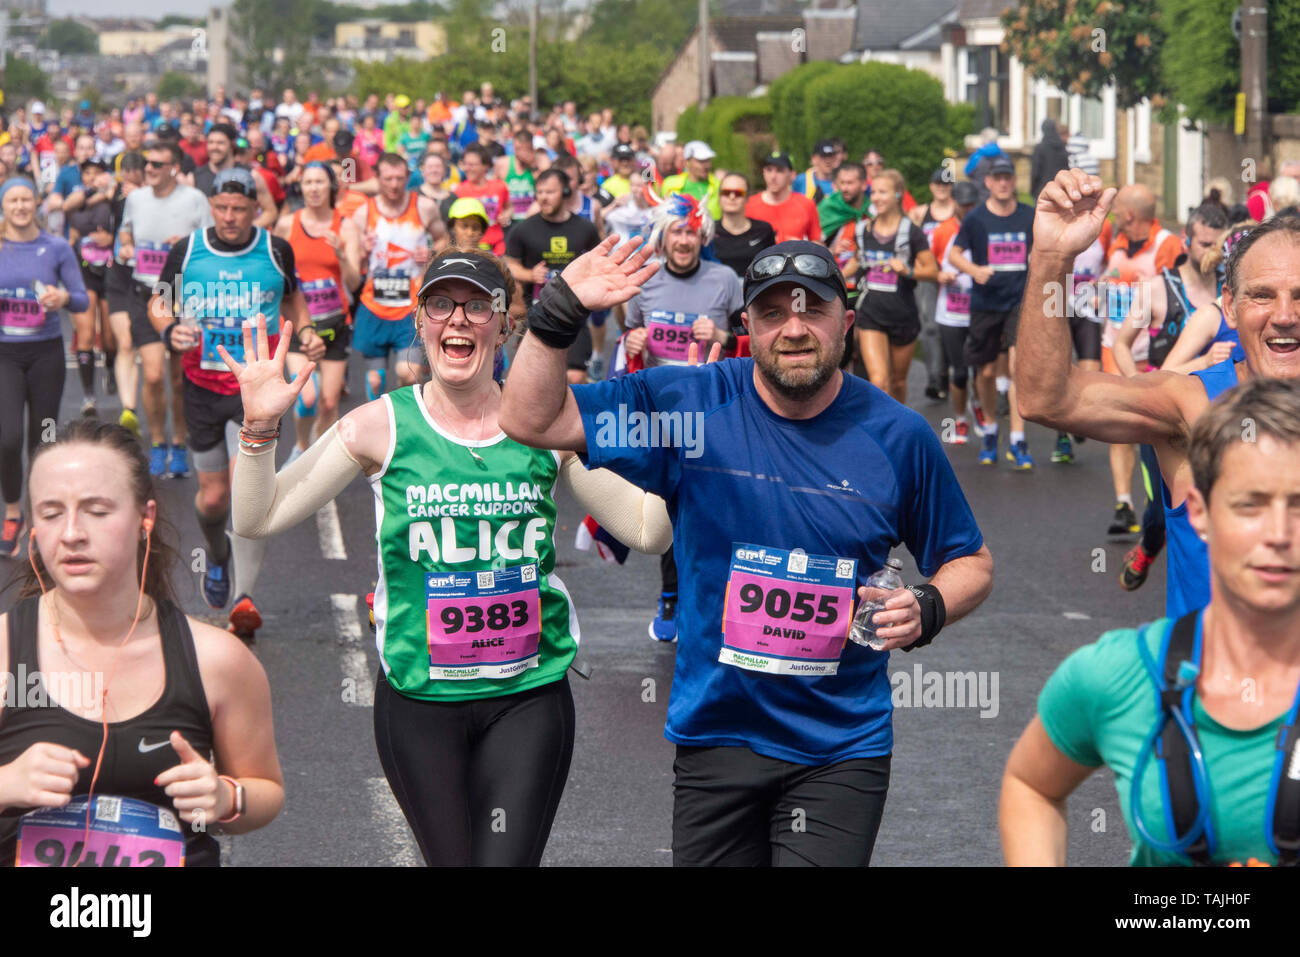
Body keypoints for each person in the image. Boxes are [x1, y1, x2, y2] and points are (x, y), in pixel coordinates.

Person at [500, 235, 993, 867]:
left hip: (840, 747)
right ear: (746, 326)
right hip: (716, 738)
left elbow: (972, 563)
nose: (793, 329)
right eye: (772, 313)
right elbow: (529, 419)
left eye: (812, 309)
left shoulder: (899, 437)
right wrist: (558, 309)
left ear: (846, 320)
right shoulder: (687, 408)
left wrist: (929, 605)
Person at [225, 250, 671, 865]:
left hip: (528, 695)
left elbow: (647, 529)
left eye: (476, 305)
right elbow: (256, 518)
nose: (456, 320)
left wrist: (685, 455)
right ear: (420, 322)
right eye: (440, 304)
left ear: (504, 324)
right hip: (419, 700)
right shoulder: (377, 427)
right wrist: (257, 430)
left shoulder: (545, 424)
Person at [1001, 378, 1300, 866]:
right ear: (1200, 513)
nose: (1279, 534)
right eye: (1250, 504)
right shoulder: (1118, 673)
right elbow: (1030, 785)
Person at [1017, 168, 1300, 621]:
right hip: (1209, 683)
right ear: (1228, 305)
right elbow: (1045, 398)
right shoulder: (1192, 403)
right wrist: (1051, 258)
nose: (1285, 316)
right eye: (1262, 296)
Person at [0, 419, 285, 866]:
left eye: (97, 510)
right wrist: (5, 784)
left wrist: (226, 797)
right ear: (34, 530)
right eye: (52, 513)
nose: (72, 532)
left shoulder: (218, 659)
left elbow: (265, 791)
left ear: (144, 518)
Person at [148, 166, 318, 642]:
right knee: (215, 498)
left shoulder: (273, 249)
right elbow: (160, 302)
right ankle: (217, 557)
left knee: (249, 495)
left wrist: (305, 332)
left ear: (254, 210)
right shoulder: (188, 249)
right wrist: (169, 328)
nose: (228, 217)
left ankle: (245, 597)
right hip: (202, 388)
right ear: (211, 207)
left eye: (238, 209)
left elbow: (293, 300)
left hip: (257, 392)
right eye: (221, 208)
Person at [618, 193, 744, 643]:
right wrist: (631, 343)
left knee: (715, 506)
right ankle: (671, 596)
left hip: (716, 413)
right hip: (661, 414)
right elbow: (628, 330)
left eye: (691, 231)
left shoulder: (725, 279)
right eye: (676, 231)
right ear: (662, 237)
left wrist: (725, 336)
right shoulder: (647, 280)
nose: (685, 239)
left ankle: (718, 598)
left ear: (703, 235)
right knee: (669, 509)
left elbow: (754, 339)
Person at [1110, 203, 1228, 592]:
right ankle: (1147, 547)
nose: (1210, 252)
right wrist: (1136, 389)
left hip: (1214, 411)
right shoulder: (1158, 289)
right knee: (1162, 510)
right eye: (1203, 243)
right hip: (1162, 414)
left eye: (1218, 244)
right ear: (1187, 241)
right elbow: (1123, 344)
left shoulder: (1230, 291)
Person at [0, 178, 89, 559]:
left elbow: (82, 299)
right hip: (5, 354)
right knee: (7, 438)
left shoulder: (55, 247)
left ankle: (40, 513)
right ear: (3, 206)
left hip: (46, 355)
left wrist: (63, 296)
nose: (20, 206)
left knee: (44, 436)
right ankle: (12, 511)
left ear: (36, 202)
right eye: (12, 200)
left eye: (25, 199)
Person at [117, 141, 214, 479]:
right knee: (154, 375)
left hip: (184, 293)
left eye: (157, 164)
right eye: (147, 163)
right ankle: (158, 442)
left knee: (179, 378)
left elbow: (210, 243)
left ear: (174, 167)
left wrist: (185, 247)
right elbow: (124, 235)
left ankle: (179, 442)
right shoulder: (135, 199)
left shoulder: (194, 200)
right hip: (146, 290)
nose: (150, 169)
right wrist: (126, 246)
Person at [1098, 184, 1185, 538]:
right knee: (1118, 429)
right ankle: (1123, 504)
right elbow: (1113, 278)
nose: (1113, 213)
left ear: (1130, 214)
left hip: (1153, 356)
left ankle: (1159, 509)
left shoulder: (1167, 245)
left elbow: (1177, 296)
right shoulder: (1116, 241)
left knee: (1153, 435)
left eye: (1117, 208)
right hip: (1114, 347)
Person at [948, 155, 1036, 469]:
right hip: (985, 302)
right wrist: (974, 270)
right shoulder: (976, 219)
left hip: (1018, 302)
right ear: (987, 182)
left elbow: (1042, 253)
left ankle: (1017, 439)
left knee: (1015, 369)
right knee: (985, 374)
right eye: (996, 177)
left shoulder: (1029, 216)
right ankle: (990, 430)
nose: (1002, 182)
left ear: (1014, 182)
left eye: (1007, 177)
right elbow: (954, 254)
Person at [276, 161, 362, 462]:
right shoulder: (288, 224)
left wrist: (340, 254)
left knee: (328, 403)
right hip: (299, 323)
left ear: (331, 187)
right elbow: (277, 274)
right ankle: (301, 447)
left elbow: (353, 282)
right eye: (308, 182)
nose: (313, 188)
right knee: (308, 398)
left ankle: (320, 464)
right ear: (301, 187)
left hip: (336, 323)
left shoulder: (346, 225)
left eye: (319, 182)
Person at [352, 152, 442, 398]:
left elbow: (444, 239)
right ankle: (377, 426)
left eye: (399, 178)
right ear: (377, 178)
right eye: (388, 178)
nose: (394, 184)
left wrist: (432, 251)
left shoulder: (424, 207)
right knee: (374, 380)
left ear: (408, 178)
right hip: (375, 306)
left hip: (410, 307)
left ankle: (406, 420)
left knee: (408, 373)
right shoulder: (363, 213)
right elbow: (352, 261)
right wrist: (362, 249)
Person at [852, 169, 938, 403]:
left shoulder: (911, 232)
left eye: (883, 192)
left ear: (898, 195)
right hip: (871, 313)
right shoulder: (863, 230)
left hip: (903, 314)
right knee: (879, 380)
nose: (877, 197)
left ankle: (899, 430)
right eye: (874, 192)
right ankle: (881, 437)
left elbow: (932, 272)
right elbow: (856, 263)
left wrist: (908, 271)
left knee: (897, 382)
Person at [64, 159, 118, 417]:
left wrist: (112, 239)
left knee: (109, 336)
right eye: (88, 174)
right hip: (82, 270)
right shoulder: (77, 200)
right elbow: (64, 209)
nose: (93, 178)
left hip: (109, 271)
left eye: (98, 173)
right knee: (85, 333)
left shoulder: (113, 199)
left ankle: (110, 366)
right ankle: (89, 396)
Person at [931, 181, 981, 445]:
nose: (968, 208)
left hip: (980, 311)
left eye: (972, 203)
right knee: (959, 372)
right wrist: (939, 274)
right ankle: (960, 419)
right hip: (951, 312)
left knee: (982, 369)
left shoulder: (984, 227)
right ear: (955, 204)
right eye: (964, 204)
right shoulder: (942, 232)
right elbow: (927, 265)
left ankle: (981, 404)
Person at [910, 171, 959, 400]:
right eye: (938, 183)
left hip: (953, 275)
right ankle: (934, 378)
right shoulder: (920, 213)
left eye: (947, 183)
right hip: (929, 276)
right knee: (930, 328)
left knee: (952, 327)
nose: (942, 187)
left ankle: (953, 373)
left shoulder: (958, 212)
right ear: (931, 186)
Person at [745, 152, 822, 244]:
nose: (773, 176)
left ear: (792, 175)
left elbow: (818, 243)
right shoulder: (748, 204)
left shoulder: (806, 204)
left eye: (779, 171)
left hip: (795, 257)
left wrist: (803, 246)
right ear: (763, 173)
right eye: (769, 170)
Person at [712, 172, 775, 279]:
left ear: (747, 197)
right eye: (726, 192)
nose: (732, 197)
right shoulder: (708, 231)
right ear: (719, 197)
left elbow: (772, 269)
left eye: (738, 193)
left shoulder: (763, 231)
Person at [454, 144, 511, 255]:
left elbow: (509, 207)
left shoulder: (499, 186)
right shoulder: (459, 190)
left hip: (497, 248)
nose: (467, 168)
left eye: (472, 165)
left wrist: (506, 215)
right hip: (471, 249)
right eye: (465, 164)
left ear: (485, 166)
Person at [660, 141, 722, 221]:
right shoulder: (669, 184)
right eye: (701, 161)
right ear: (687, 163)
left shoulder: (719, 185)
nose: (706, 165)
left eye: (708, 160)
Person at [1030, 118, 1070, 198]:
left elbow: (1036, 172)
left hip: (1042, 190)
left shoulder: (1040, 148)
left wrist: (1032, 190)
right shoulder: (1062, 147)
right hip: (1059, 189)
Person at [793, 140, 836, 204]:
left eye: (830, 156)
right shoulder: (801, 180)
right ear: (814, 159)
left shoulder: (841, 182)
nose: (828, 160)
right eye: (823, 156)